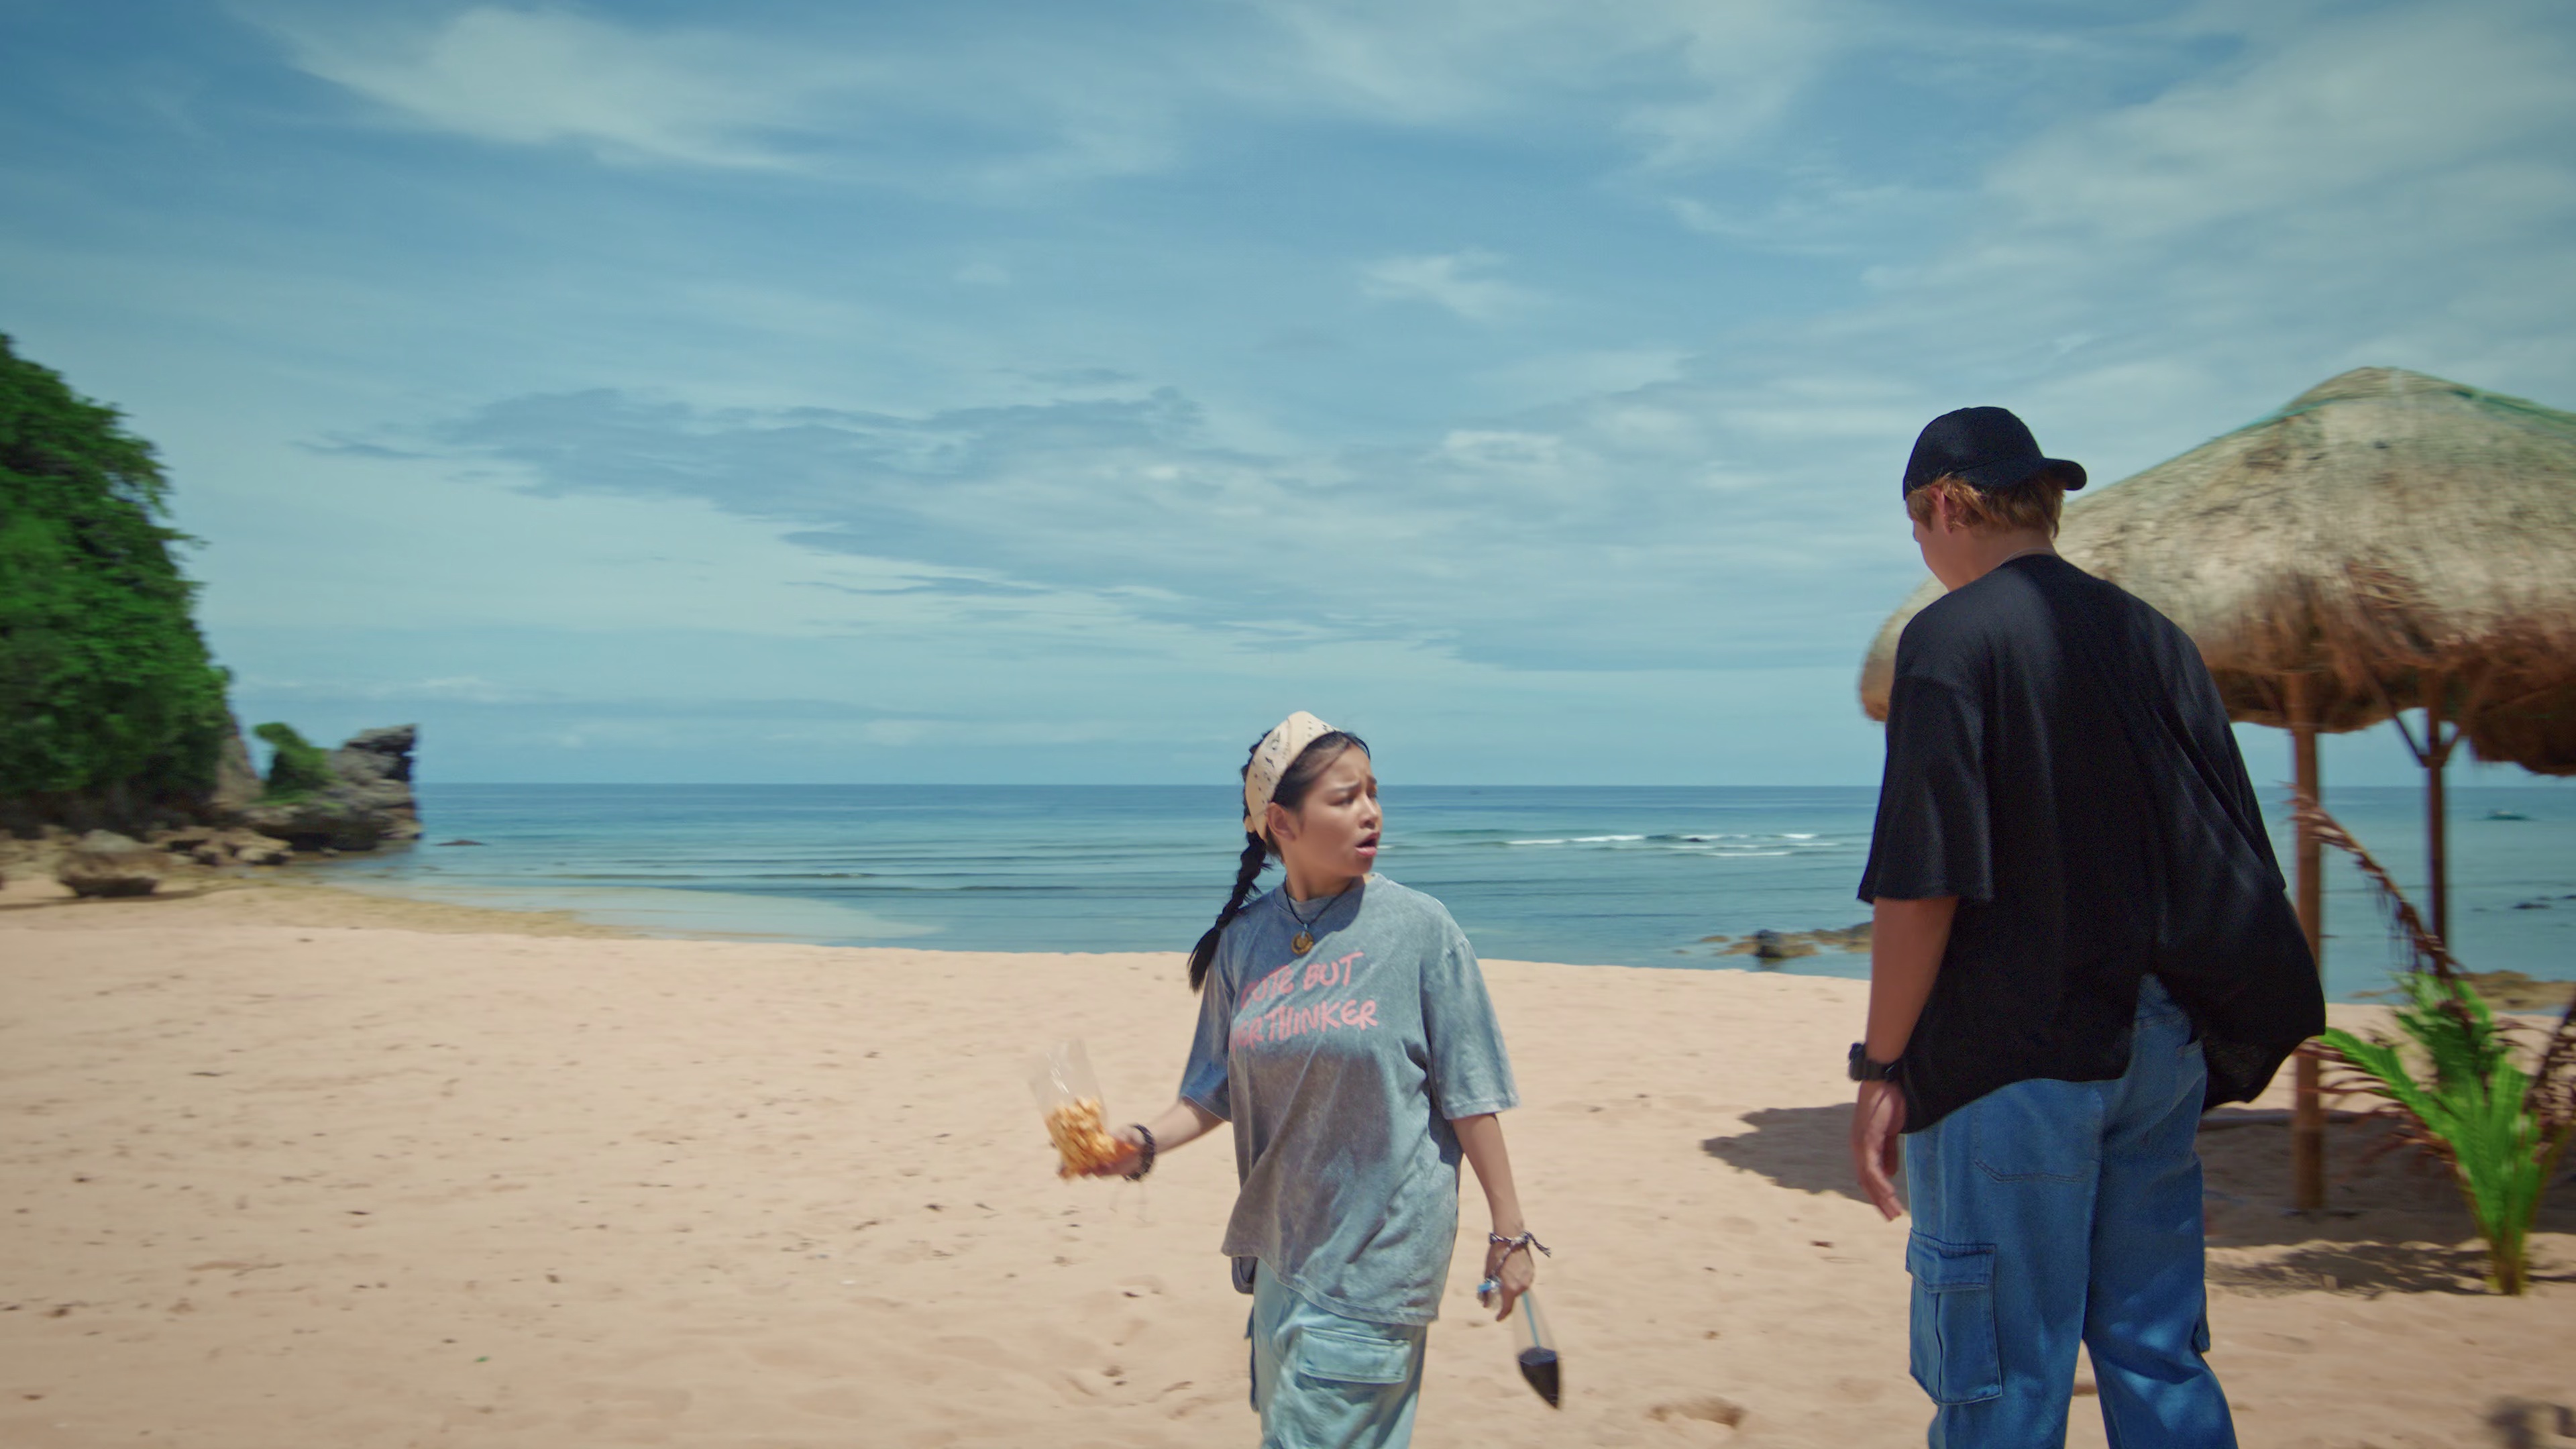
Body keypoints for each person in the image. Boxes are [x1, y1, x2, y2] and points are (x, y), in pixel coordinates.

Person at [1848, 408, 2324, 1448]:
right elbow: (2222, 839)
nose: (1921, 549)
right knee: (2156, 1351)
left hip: (2011, 1057)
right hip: (2157, 1044)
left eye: (1917, 526)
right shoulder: (2154, 636)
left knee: (2005, 1382)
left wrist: (1881, 1066)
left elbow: (1923, 885)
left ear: (1946, 505)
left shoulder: (1951, 637)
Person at [1075, 711, 1538, 1449]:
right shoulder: (1244, 943)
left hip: (1376, 1264)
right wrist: (1141, 1142)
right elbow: (1212, 1089)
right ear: (1282, 824)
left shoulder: (1420, 929)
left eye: (1373, 792)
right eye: (1345, 798)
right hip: (1279, 1259)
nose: (1370, 812)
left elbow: (1471, 1094)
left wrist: (1510, 1233)